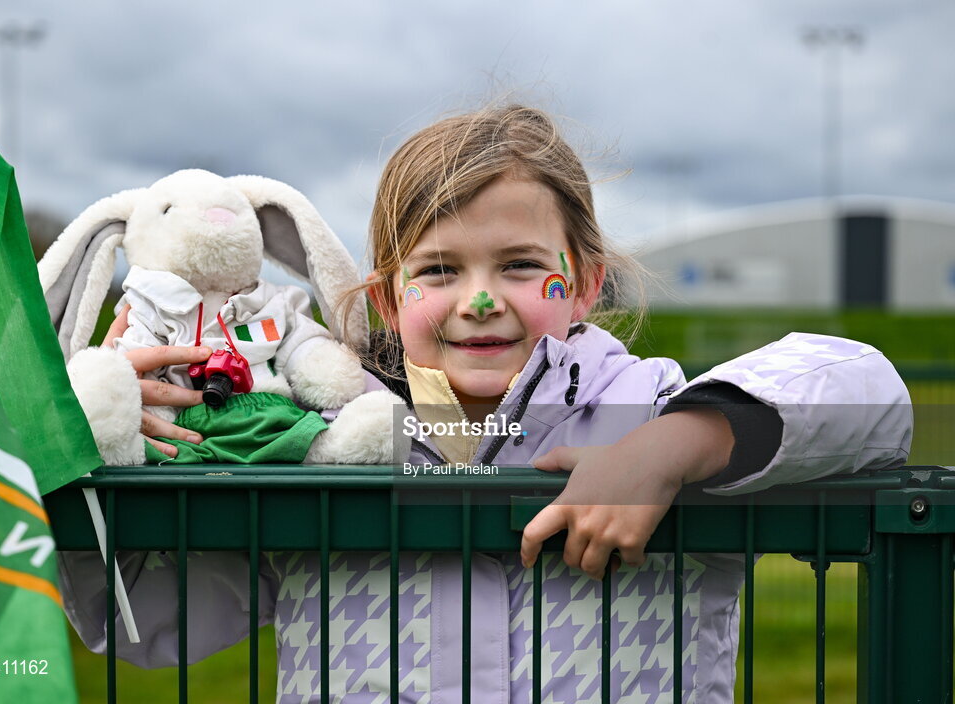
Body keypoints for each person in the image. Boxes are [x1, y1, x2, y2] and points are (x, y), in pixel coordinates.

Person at [58, 105, 912, 703]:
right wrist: (88, 450)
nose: (478, 300)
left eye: (517, 265)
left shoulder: (651, 410)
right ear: (389, 302)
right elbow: (146, 627)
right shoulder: (319, 448)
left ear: (581, 283)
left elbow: (867, 390)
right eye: (438, 271)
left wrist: (673, 448)